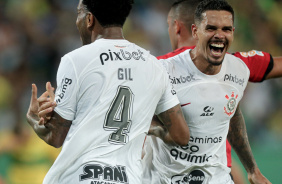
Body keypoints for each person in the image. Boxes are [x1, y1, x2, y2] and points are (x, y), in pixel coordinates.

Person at [25, 0, 190, 183]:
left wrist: (33, 118)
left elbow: (55, 137)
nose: (77, 20)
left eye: (79, 13)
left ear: (89, 19)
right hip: (128, 178)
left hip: (80, 177)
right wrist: (142, 124)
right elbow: (181, 135)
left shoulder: (76, 60)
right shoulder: (154, 65)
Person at [142, 0, 271, 183]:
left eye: (226, 29)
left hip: (216, 178)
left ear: (233, 33)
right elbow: (139, 114)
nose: (219, 35)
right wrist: (162, 131)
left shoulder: (238, 70)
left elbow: (232, 113)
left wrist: (252, 170)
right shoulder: (164, 70)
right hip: (165, 178)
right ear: (195, 31)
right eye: (211, 28)